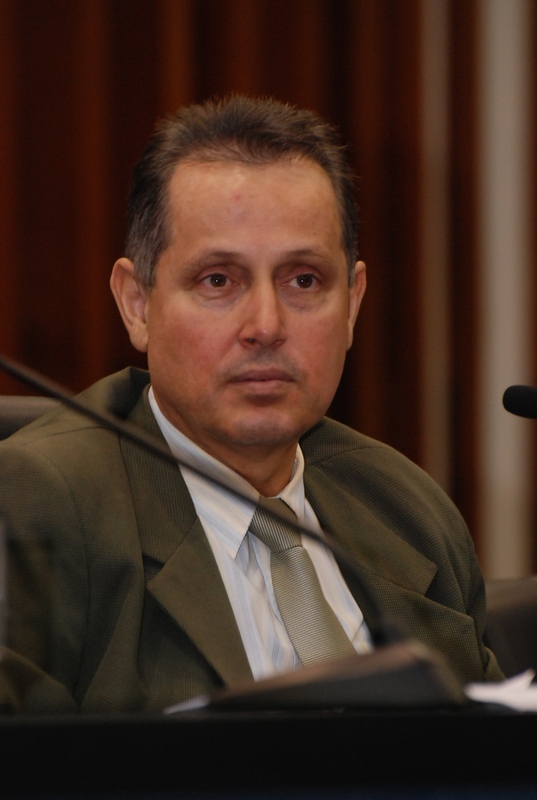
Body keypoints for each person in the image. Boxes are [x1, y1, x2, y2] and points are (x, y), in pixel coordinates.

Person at [0, 96, 502, 713]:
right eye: (218, 280)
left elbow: (491, 749)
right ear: (137, 304)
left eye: (304, 280)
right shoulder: (40, 507)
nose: (266, 325)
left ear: (352, 303)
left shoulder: (407, 510)